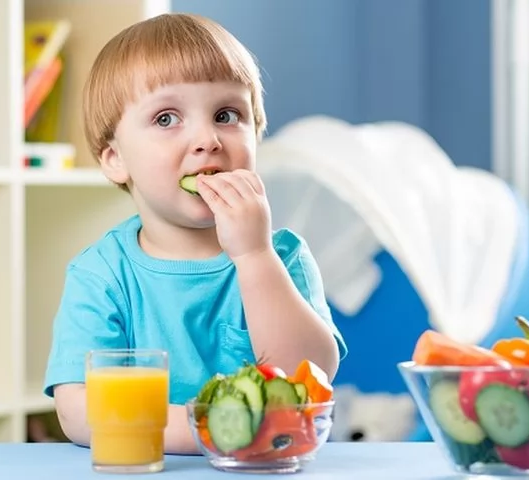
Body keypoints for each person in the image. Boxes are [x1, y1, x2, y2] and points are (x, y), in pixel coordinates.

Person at [43, 12, 347, 454]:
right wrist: (213, 431)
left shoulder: (281, 257)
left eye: (226, 114)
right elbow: (78, 410)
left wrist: (254, 257)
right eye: (166, 119)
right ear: (115, 159)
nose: (208, 139)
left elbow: (307, 379)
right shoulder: (101, 275)